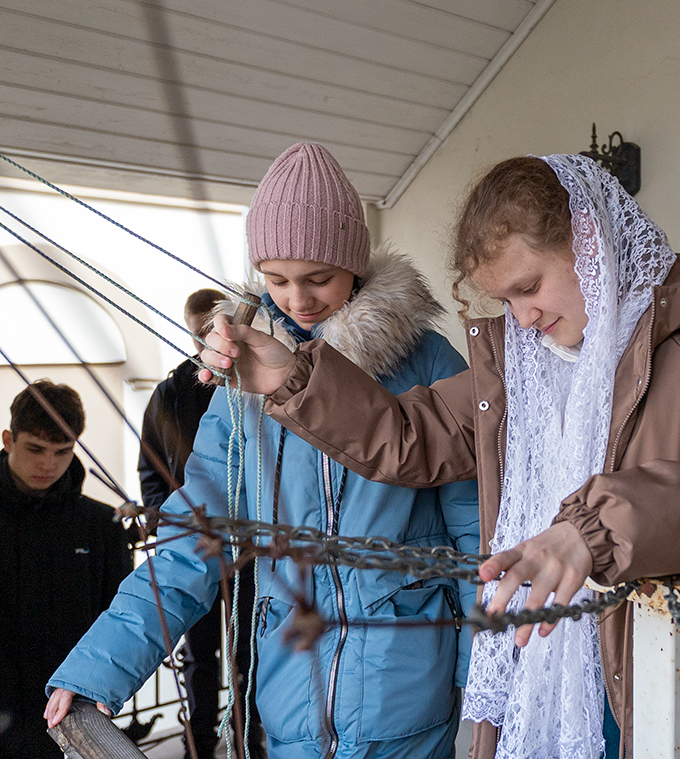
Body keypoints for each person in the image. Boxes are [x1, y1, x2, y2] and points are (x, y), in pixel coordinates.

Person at [197, 154, 680, 758]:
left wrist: (591, 532)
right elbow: (409, 433)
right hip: (547, 668)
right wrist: (293, 377)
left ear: (589, 244)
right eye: (506, 301)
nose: (523, 318)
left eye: (529, 287)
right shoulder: (517, 368)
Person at [46, 143, 481, 759]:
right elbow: (193, 540)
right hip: (289, 696)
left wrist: (483, 679)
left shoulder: (428, 361)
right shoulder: (241, 381)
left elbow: (476, 531)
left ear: (354, 262)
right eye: (276, 280)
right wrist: (97, 670)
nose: (297, 300)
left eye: (318, 278)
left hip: (407, 691)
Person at [138, 287, 264, 759]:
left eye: (208, 330)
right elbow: (150, 467)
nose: (201, 340)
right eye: (195, 333)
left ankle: (248, 736)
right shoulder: (171, 392)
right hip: (195, 543)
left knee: (250, 647)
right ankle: (201, 741)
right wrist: (166, 521)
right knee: (199, 653)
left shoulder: (254, 381)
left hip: (252, 546)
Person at [0, 381, 132, 759]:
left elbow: (117, 616)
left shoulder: (101, 524)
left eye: (62, 451)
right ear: (9, 440)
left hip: (65, 709)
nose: (48, 464)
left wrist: (100, 687)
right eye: (35, 449)